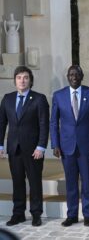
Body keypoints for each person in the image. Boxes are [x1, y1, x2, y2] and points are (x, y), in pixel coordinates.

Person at [50, 65, 89, 227]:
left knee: (87, 181)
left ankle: (87, 215)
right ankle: (71, 215)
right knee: (71, 182)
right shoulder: (58, 96)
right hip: (66, 146)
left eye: (77, 74)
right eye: (71, 74)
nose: (74, 77)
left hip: (87, 145)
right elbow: (53, 123)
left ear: (82, 76)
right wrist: (55, 144)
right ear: (67, 76)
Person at [0, 66, 49, 227]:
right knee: (17, 182)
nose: (22, 80)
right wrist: (0, 145)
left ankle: (36, 214)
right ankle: (18, 213)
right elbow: (2, 124)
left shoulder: (39, 99)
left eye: (26, 77)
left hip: (33, 150)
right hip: (14, 148)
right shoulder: (7, 99)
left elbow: (44, 124)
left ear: (31, 80)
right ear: (14, 80)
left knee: (35, 182)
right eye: (19, 77)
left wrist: (41, 146)